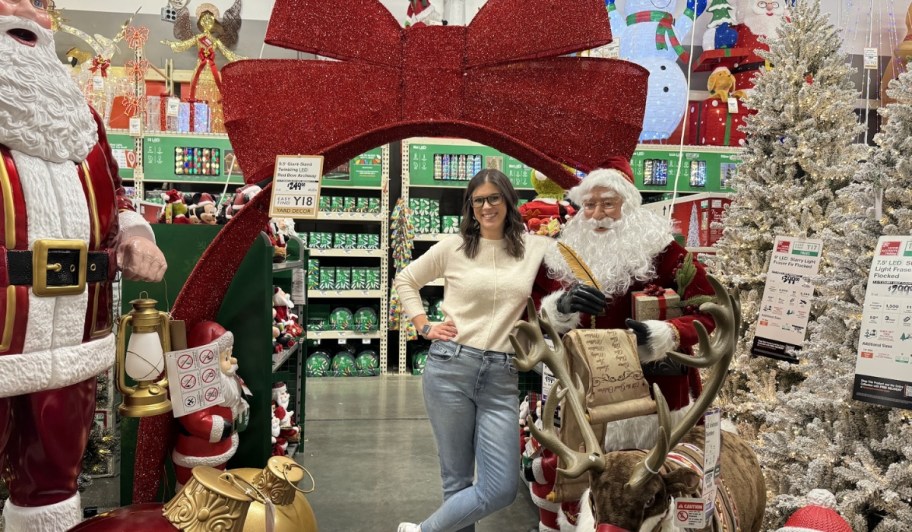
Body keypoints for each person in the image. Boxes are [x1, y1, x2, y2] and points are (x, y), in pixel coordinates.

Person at [0, 1, 167, 529]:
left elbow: (114, 198)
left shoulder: (80, 116)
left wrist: (136, 235)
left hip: (73, 338)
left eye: (36, 3)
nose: (24, 11)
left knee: (53, 484)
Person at [393, 169, 554, 532]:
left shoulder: (535, 248)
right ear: (470, 206)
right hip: (451, 367)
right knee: (457, 480)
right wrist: (424, 325)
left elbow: (575, 262)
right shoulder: (453, 248)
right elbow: (405, 279)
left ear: (509, 201)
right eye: (478, 200)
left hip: (501, 374)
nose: (486, 206)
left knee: (502, 487)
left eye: (494, 198)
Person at [535, 157, 716, 450]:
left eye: (608, 204)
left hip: (656, 395)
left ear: (629, 206)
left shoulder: (668, 254)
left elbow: (709, 311)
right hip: (586, 393)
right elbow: (537, 315)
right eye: (589, 205)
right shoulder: (564, 254)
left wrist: (665, 333)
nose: (597, 215)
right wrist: (560, 308)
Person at [172, 321, 248, 490]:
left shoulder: (225, 384)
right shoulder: (194, 389)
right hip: (198, 453)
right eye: (226, 357)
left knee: (217, 483)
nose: (233, 360)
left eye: (231, 354)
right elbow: (194, 420)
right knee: (194, 488)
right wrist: (220, 427)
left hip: (221, 450)